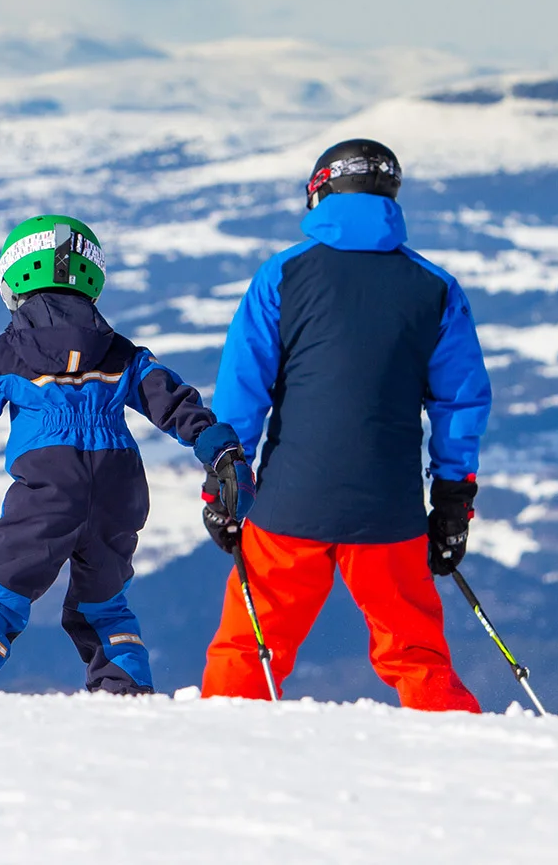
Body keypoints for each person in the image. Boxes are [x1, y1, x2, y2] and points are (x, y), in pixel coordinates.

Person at [201, 139, 491, 712]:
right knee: (416, 656)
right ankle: (465, 768)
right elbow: (460, 403)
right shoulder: (434, 288)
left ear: (320, 191)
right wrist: (454, 501)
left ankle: (218, 766)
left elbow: (242, 393)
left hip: (287, 506)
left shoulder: (281, 276)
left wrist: (224, 485)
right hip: (389, 510)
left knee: (249, 651)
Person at [0, 214, 248, 694]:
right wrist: (220, 451)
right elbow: (173, 401)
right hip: (119, 490)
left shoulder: (5, 353)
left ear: (15, 279)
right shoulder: (121, 352)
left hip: (47, 489)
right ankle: (126, 691)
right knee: (103, 604)